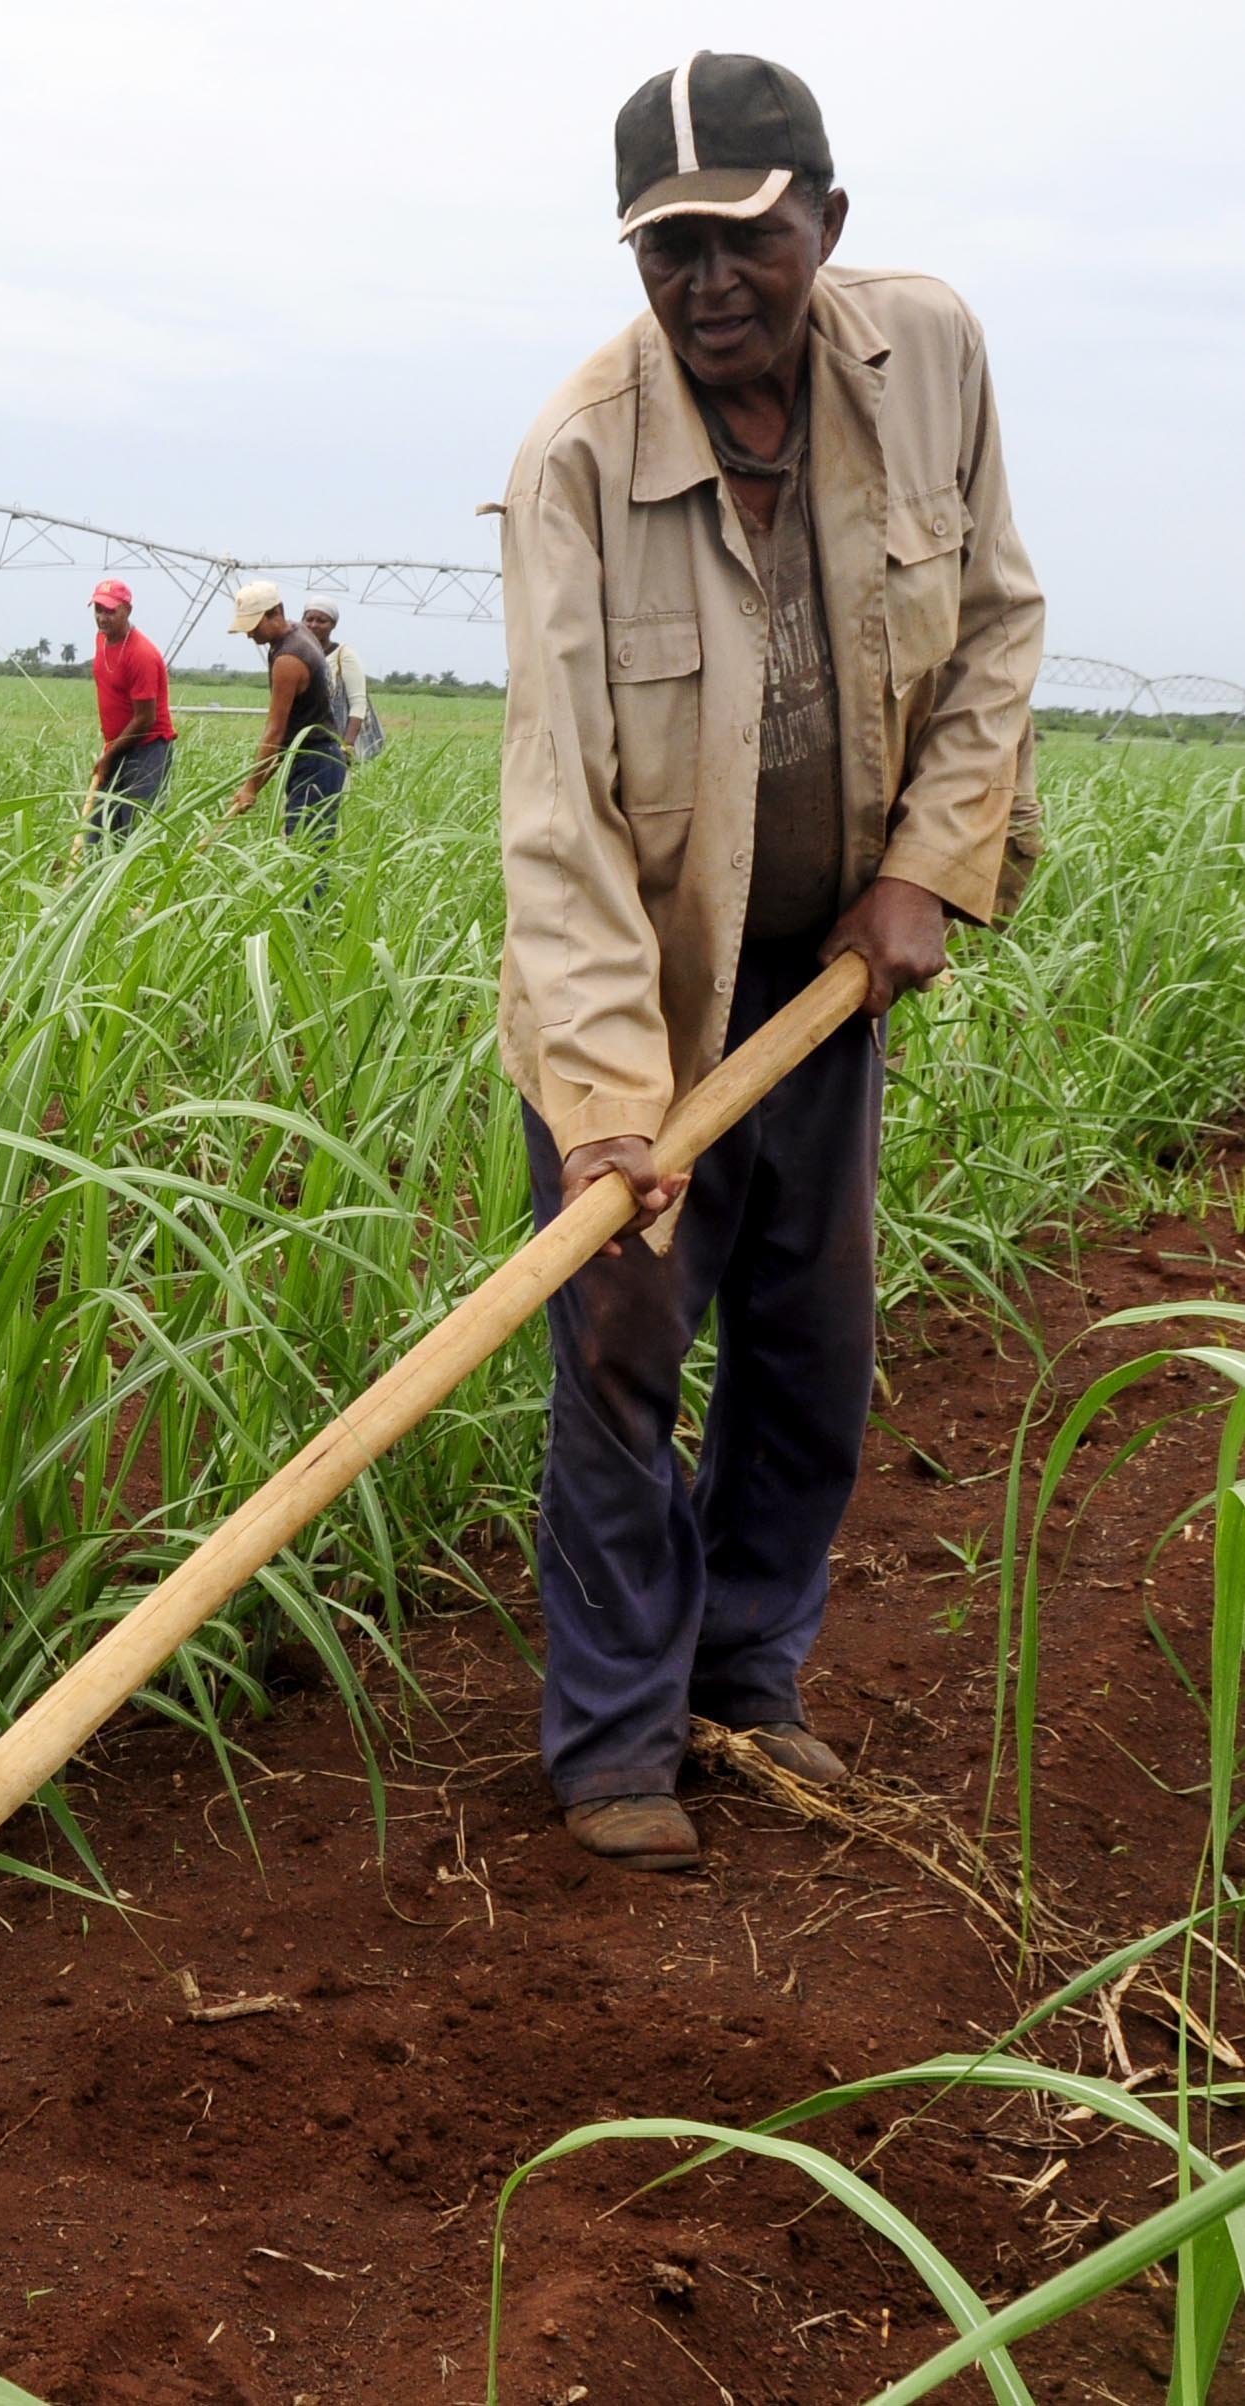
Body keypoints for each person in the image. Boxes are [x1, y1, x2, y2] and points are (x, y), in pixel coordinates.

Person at [495, 51, 1042, 1871]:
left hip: (827, 976)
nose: (708, 281)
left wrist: (924, 871)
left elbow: (992, 629)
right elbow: (558, 812)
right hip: (640, 1000)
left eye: (743, 235)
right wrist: (600, 1119)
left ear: (823, 218)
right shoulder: (579, 458)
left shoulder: (929, 358)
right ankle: (613, 1741)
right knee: (621, 1347)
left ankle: (748, 1682)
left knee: (808, 1351)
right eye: (666, 251)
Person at [221, 579, 347, 840]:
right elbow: (292, 727)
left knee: (307, 846)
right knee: (301, 841)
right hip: (315, 755)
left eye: (254, 625)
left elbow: (275, 731)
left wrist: (250, 786)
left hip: (315, 760)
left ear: (276, 612)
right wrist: (255, 785)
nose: (249, 634)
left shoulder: (289, 659)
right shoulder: (299, 632)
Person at [86, 578, 176, 838]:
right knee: (98, 831)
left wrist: (110, 755)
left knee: (134, 831)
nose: (103, 618)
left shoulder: (141, 654)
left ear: (127, 610)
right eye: (98, 610)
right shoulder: (101, 640)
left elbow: (145, 719)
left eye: (110, 611)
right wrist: (111, 752)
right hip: (116, 747)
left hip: (147, 749)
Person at [302, 597, 379, 761]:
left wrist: (347, 745)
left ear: (333, 625)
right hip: (306, 739)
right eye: (309, 619)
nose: (314, 625)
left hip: (336, 740)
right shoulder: (301, 653)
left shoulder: (344, 654)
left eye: (321, 621)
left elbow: (358, 703)